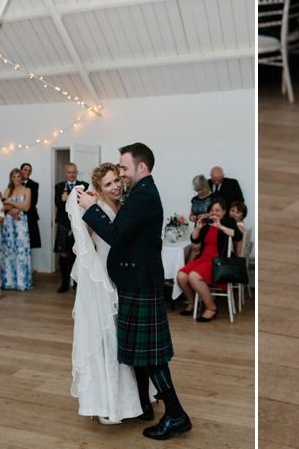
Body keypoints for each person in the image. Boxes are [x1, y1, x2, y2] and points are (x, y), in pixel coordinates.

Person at [79, 143, 191, 439]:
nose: (122, 174)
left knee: (151, 355)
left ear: (141, 167)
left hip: (139, 281)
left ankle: (176, 415)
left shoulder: (144, 194)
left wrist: (91, 209)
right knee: (141, 353)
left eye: (124, 168)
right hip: (135, 281)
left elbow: (116, 234)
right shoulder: (140, 192)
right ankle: (147, 405)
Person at [67, 162, 143, 425]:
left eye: (116, 181)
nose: (115, 186)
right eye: (108, 184)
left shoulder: (123, 204)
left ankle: (129, 401)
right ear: (98, 189)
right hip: (104, 279)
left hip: (121, 277)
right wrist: (84, 211)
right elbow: (86, 240)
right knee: (107, 339)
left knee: (121, 339)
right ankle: (106, 402)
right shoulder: (96, 207)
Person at [175, 197, 237, 321]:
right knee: (181, 276)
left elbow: (238, 235)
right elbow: (194, 240)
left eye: (217, 210)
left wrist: (220, 227)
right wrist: (198, 227)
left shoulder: (228, 222)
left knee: (193, 276)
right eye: (212, 210)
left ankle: (211, 308)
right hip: (203, 258)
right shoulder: (207, 223)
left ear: (224, 211)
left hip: (217, 261)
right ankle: (192, 303)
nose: (214, 213)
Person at [54, 162, 87, 292]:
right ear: (65, 173)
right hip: (63, 223)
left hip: (79, 223)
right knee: (64, 254)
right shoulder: (59, 186)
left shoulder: (84, 185)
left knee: (78, 253)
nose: (71, 174)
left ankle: (78, 283)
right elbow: (59, 204)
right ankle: (64, 283)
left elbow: (84, 204)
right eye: (69, 172)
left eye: (74, 172)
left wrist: (67, 199)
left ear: (77, 172)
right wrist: (74, 200)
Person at [0, 168, 33, 291]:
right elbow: (3, 207)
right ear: (11, 178)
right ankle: (9, 282)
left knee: (21, 249)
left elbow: (27, 208)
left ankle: (21, 282)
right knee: (9, 249)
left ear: (22, 178)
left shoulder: (27, 190)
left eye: (18, 177)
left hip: (21, 223)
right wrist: (19, 205)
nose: (16, 179)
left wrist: (11, 203)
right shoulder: (8, 190)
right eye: (14, 177)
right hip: (9, 223)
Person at [18, 163, 41, 251]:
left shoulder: (34, 185)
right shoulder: (14, 183)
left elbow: (33, 203)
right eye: (25, 170)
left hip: (29, 217)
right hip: (15, 218)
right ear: (21, 170)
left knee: (28, 244)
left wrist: (17, 208)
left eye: (29, 171)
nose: (27, 172)